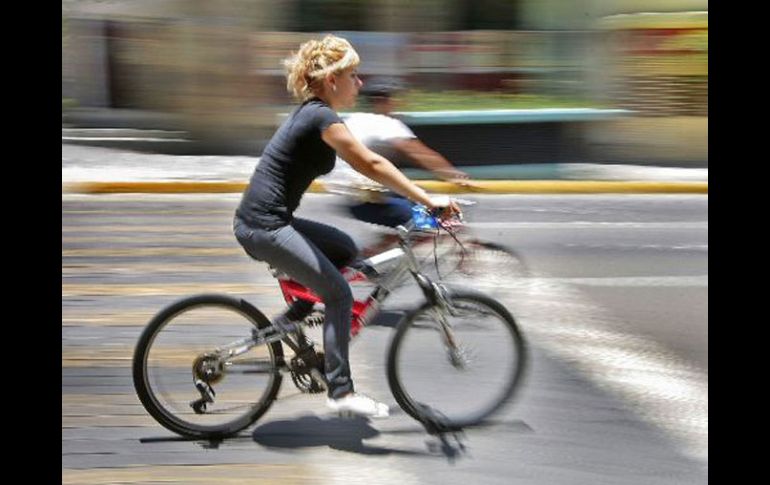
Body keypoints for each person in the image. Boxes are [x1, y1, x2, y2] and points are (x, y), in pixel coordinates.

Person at [233, 35, 458, 418]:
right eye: (353, 75)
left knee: (344, 249)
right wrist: (427, 198)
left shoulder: (317, 116)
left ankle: (292, 321)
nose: (360, 83)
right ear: (331, 79)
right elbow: (371, 163)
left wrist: (388, 193)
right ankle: (340, 390)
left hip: (271, 221)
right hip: (263, 226)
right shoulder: (319, 115)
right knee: (339, 295)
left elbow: (359, 167)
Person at [322, 77, 475, 255]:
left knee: (418, 208)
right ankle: (371, 259)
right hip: (364, 198)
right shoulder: (386, 123)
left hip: (357, 195)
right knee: (427, 222)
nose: (400, 103)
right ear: (383, 101)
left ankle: (381, 250)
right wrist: (454, 175)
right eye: (396, 98)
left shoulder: (353, 119)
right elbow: (420, 154)